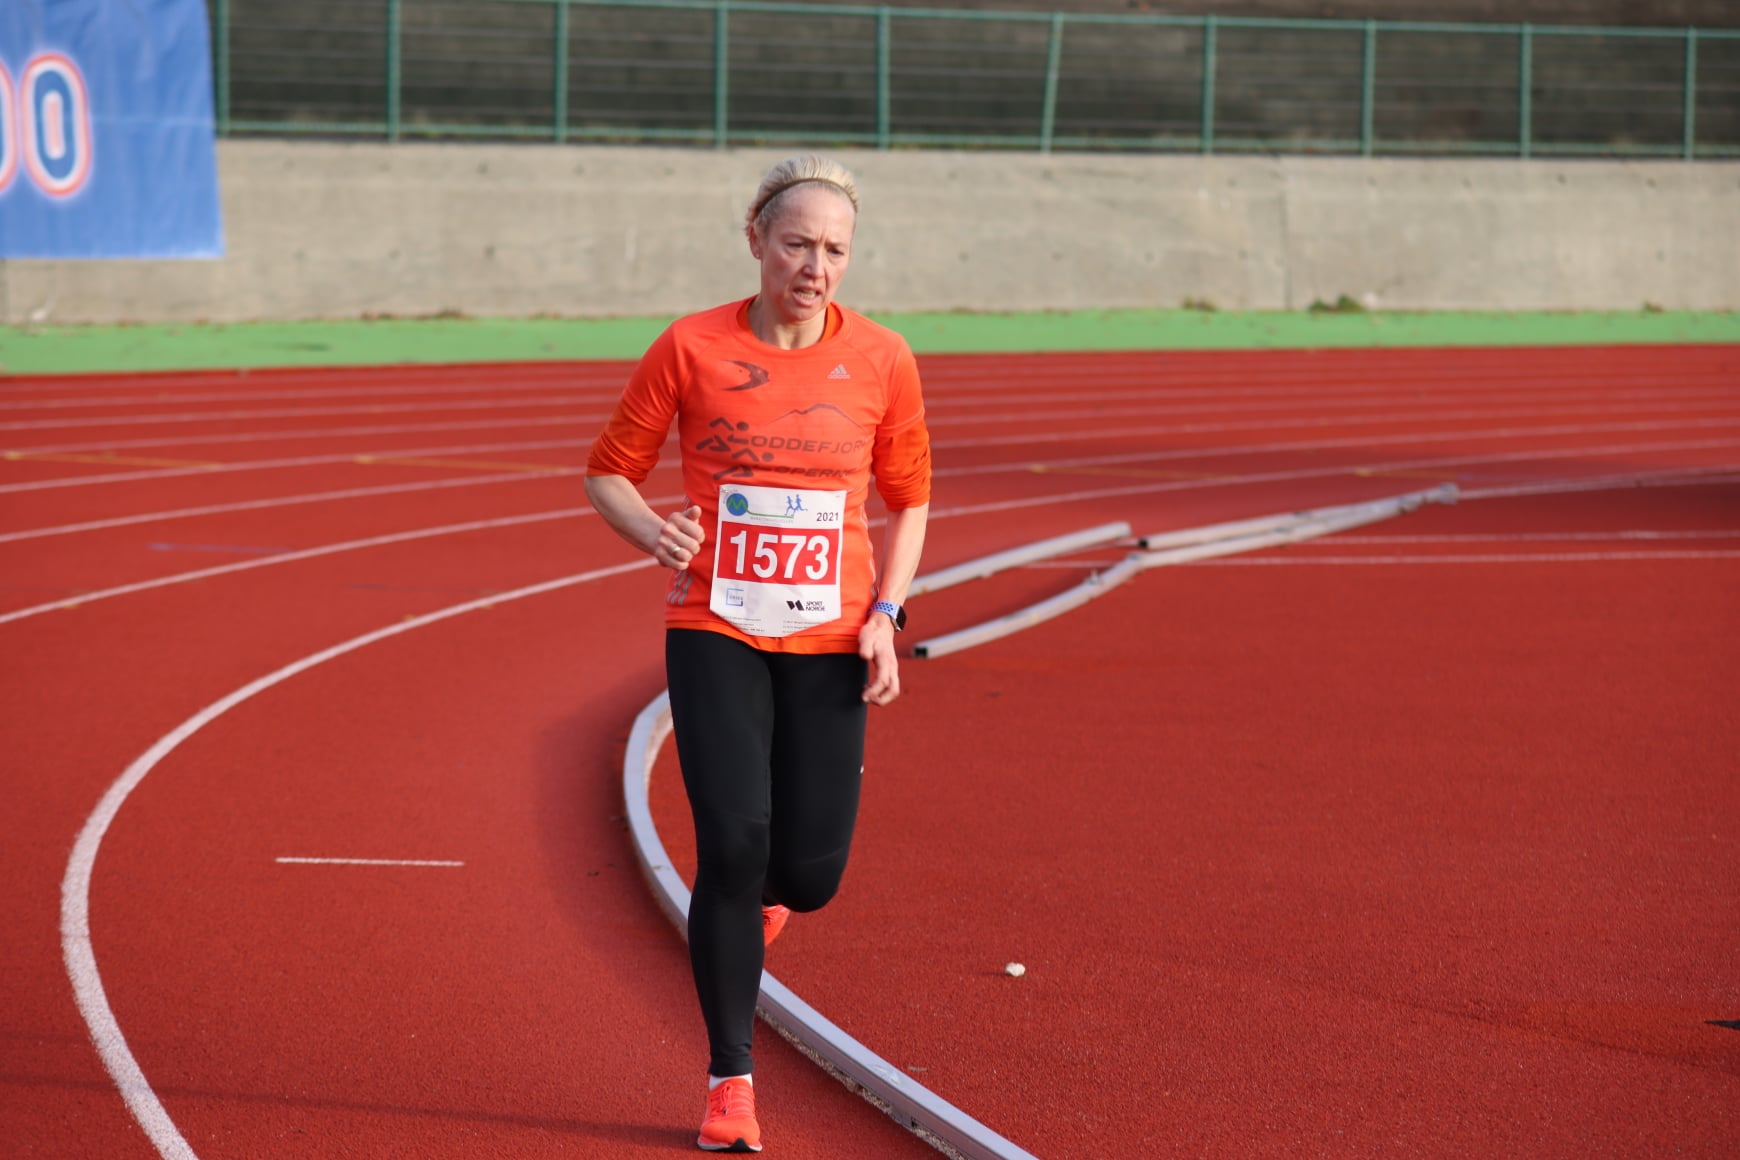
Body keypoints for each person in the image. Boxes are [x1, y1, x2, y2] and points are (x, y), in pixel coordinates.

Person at [584, 154, 931, 1154]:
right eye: (798, 244)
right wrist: (652, 531)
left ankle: (763, 905)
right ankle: (729, 1080)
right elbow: (608, 472)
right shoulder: (690, 346)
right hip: (715, 628)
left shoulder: (883, 357)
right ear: (756, 241)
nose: (815, 267)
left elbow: (909, 498)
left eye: (835, 250)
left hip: (830, 638)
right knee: (731, 847)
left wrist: (887, 612)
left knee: (808, 876)